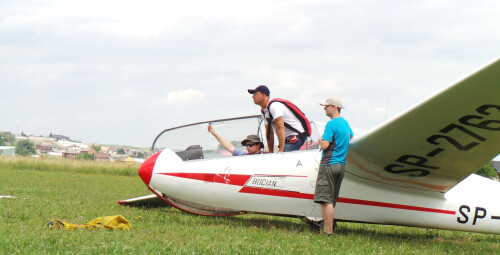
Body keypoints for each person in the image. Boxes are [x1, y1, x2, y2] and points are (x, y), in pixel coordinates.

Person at [313, 96, 353, 236]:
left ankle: (328, 232)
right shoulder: (346, 124)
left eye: (326, 106)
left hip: (329, 164)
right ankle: (327, 229)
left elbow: (325, 145)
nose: (324, 108)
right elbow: (351, 139)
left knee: (326, 200)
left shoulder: (331, 124)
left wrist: (319, 139)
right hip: (340, 165)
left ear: (334, 107)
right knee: (331, 199)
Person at [248, 85, 306, 152]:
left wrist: (281, 149)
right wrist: (270, 151)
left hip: (295, 136)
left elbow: (280, 127)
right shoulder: (264, 112)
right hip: (287, 138)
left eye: (255, 94)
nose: (253, 96)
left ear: (264, 95)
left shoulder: (274, 106)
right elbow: (269, 132)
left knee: (282, 158)